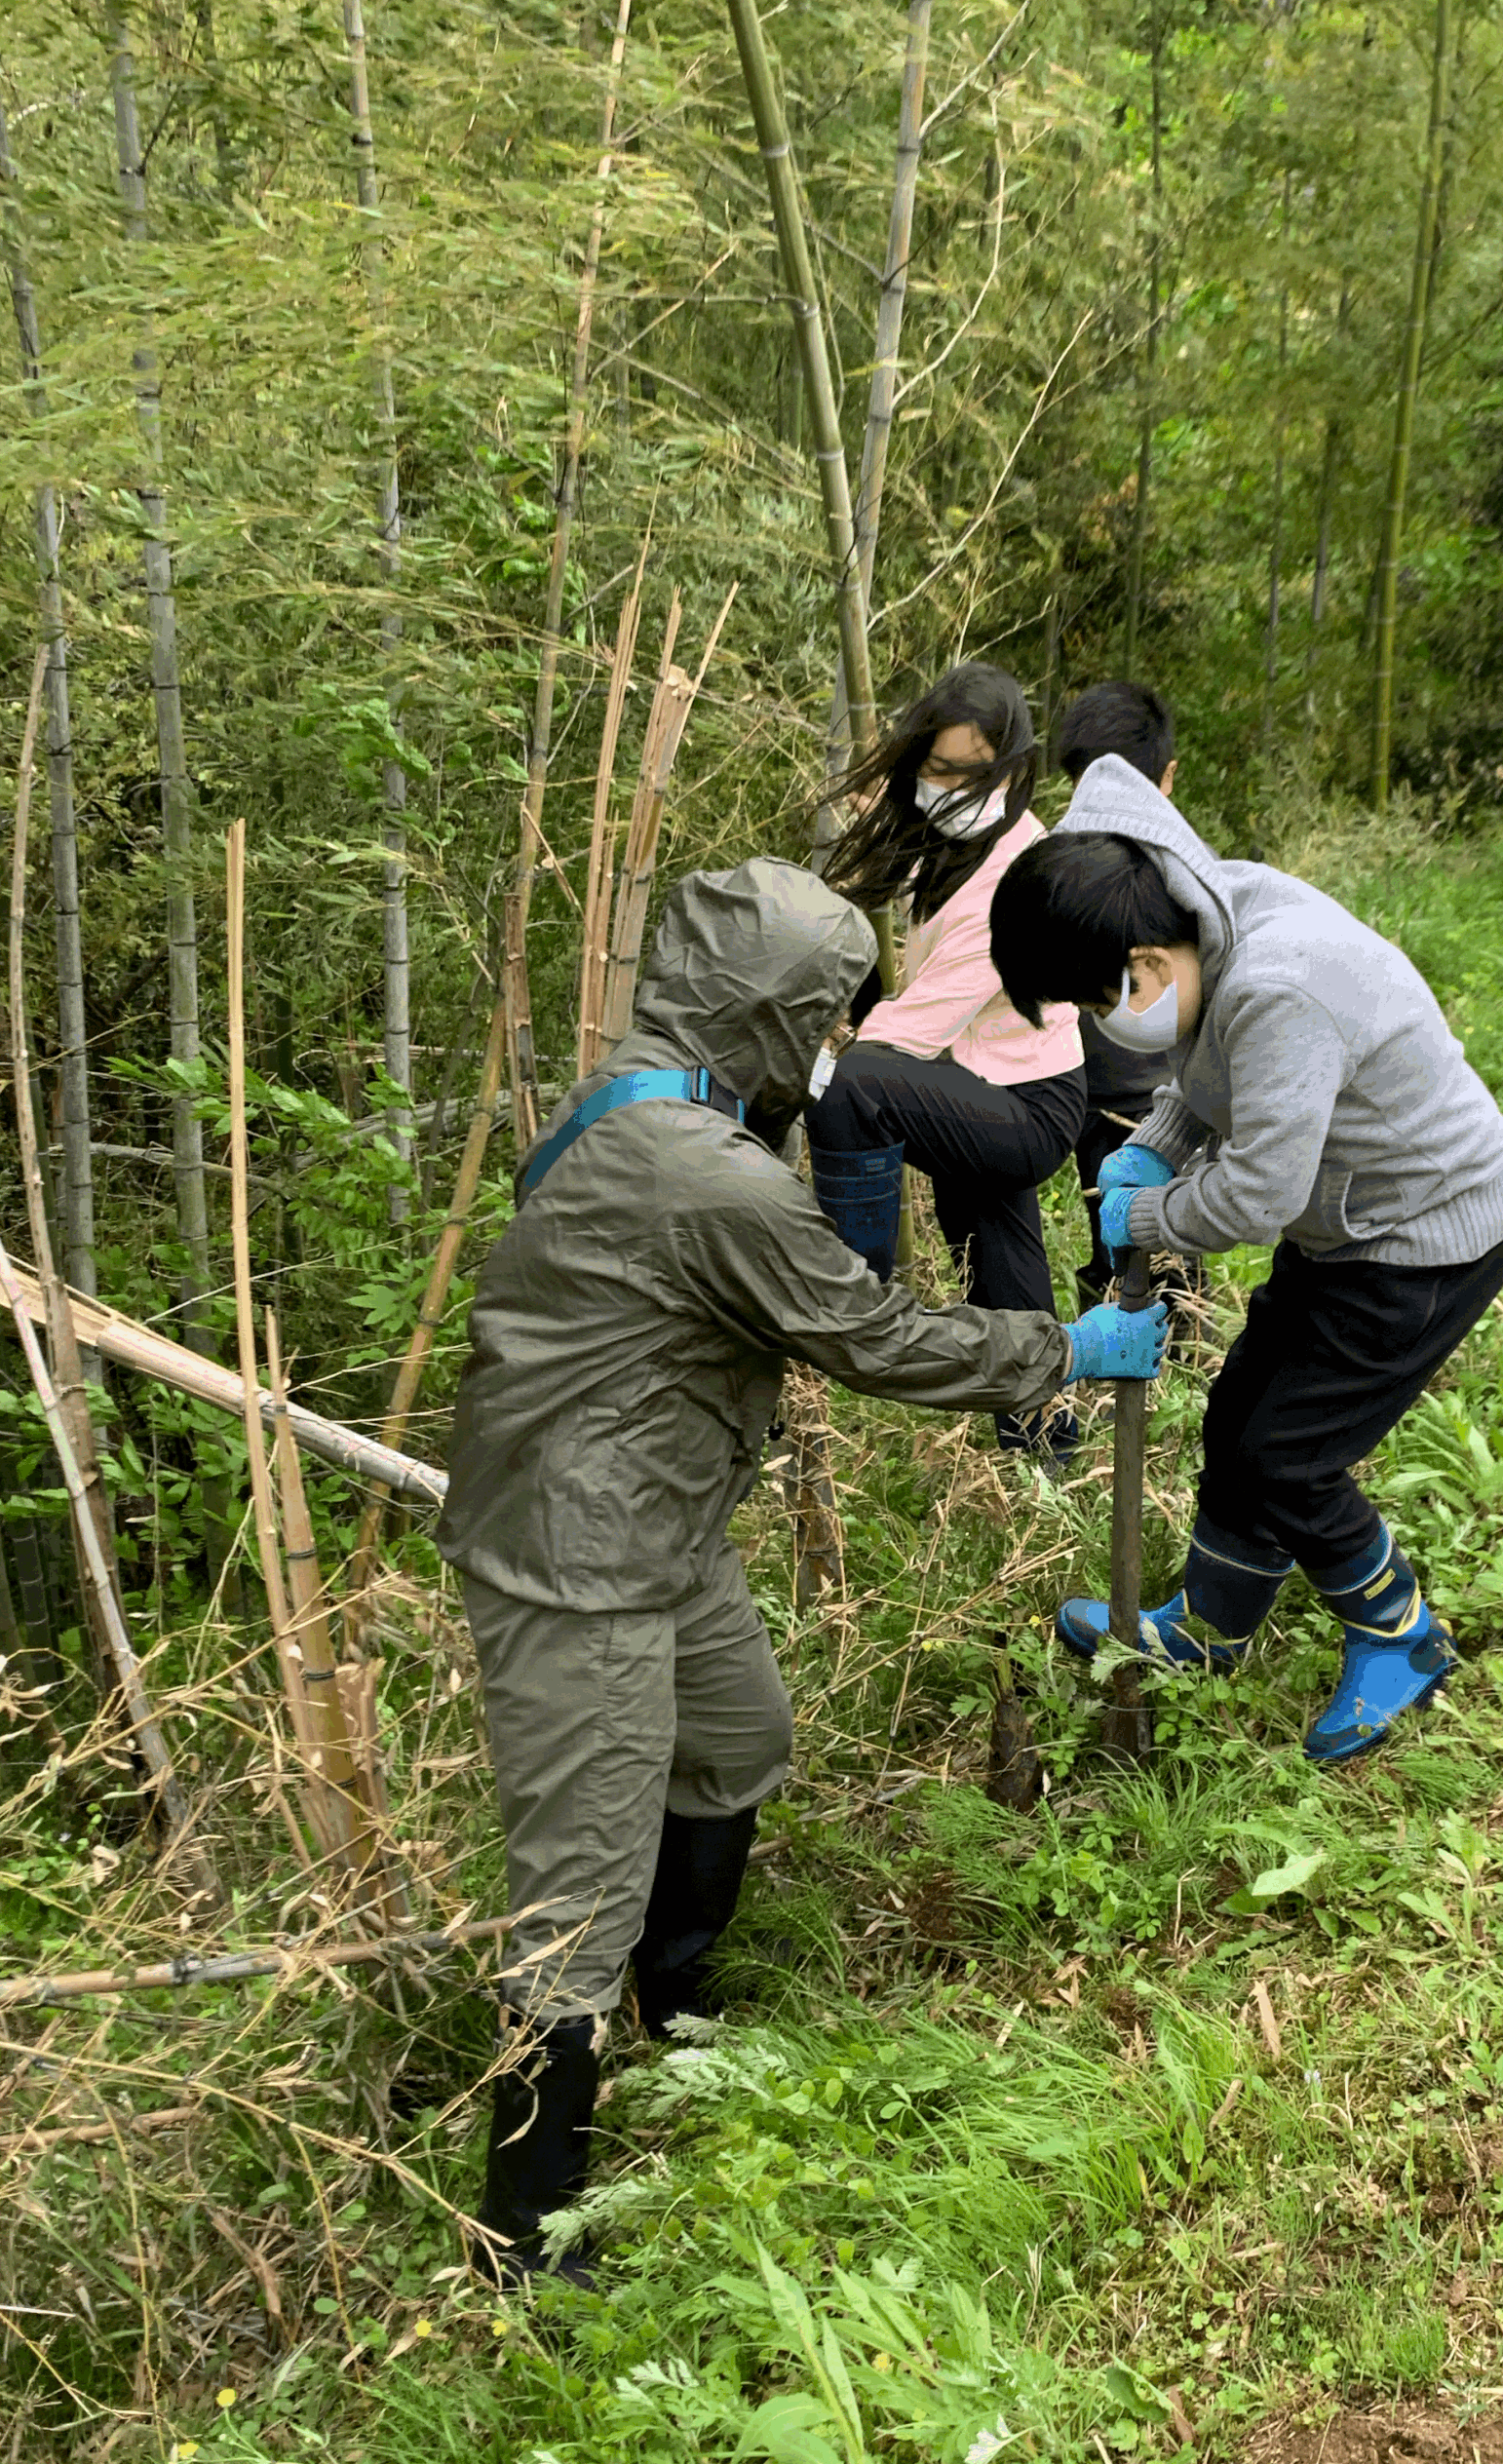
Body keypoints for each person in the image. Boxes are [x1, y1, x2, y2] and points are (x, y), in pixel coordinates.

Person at [436, 856, 1168, 2276]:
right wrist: (1059, 1350)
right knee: (576, 1883)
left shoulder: (653, 1095)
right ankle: (527, 2235)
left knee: (734, 1740)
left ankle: (680, 2010)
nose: (834, 1050)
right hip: (577, 1557)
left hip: (658, 1514)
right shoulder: (698, 1172)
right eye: (825, 1020)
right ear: (767, 1012)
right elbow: (873, 1336)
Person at [989, 764, 1503, 1767]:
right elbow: (1210, 1073)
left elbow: (1256, 1193)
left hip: (1425, 1239)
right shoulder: (1213, 918)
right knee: (1240, 1416)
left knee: (1290, 1455)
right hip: (1350, 1226)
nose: (1102, 1024)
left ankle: (1398, 1635)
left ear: (1144, 960)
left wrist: (1143, 1212)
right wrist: (1155, 1137)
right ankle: (1210, 1627)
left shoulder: (1279, 984)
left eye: (1095, 999)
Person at [809, 663, 1089, 1460]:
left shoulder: (1014, 876)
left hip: (1029, 1101)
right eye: (935, 769)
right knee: (994, 1250)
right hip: (985, 1077)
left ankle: (852, 1291)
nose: (948, 786)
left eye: (970, 773)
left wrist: (825, 1069)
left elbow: (908, 1034)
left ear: (1009, 765)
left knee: (858, 1089)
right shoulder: (962, 835)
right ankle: (1043, 1441)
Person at [1050, 680, 1202, 1313]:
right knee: (1145, 1251)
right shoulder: (1191, 863)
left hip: (1126, 1092)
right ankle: (1149, 1371)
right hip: (1130, 1088)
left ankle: (1155, 1372)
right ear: (1168, 774)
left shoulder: (1057, 854)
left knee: (1138, 1248)